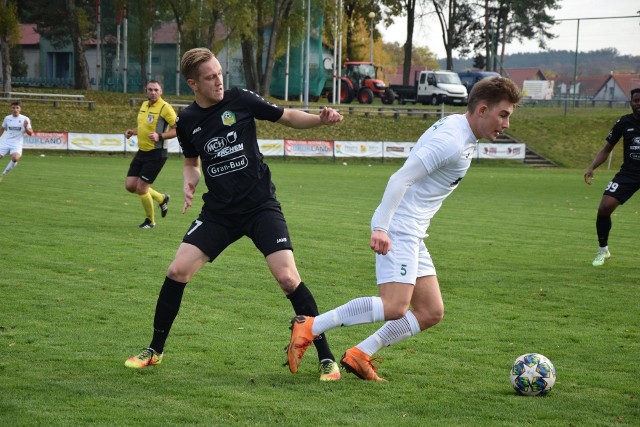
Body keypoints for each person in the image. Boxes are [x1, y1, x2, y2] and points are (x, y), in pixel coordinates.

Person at [124, 47, 344, 381]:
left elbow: (286, 116)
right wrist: (189, 183)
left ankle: (327, 358)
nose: (218, 81)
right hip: (220, 212)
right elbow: (191, 161)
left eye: (220, 74)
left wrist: (319, 120)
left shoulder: (240, 99)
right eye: (210, 78)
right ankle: (154, 350)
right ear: (193, 84)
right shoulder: (186, 121)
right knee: (176, 271)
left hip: (259, 206)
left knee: (287, 277)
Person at [287, 77, 521, 381]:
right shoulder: (451, 140)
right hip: (399, 226)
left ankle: (359, 354)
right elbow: (400, 179)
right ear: (482, 110)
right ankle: (310, 326)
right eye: (502, 115)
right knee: (395, 306)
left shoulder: (462, 132)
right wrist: (382, 227)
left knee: (430, 311)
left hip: (414, 229)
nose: (505, 123)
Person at [584, 88, 640, 267]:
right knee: (604, 208)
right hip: (629, 174)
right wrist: (592, 167)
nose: (639, 104)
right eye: (636, 100)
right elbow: (607, 149)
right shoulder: (624, 122)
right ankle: (603, 250)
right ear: (631, 102)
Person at [124, 80, 177, 229]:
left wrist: (160, 136)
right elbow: (143, 127)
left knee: (141, 188)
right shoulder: (144, 105)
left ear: (161, 92)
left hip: (157, 153)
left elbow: (177, 129)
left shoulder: (165, 108)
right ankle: (161, 198)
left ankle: (150, 221)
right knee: (130, 185)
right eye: (150, 90)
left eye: (156, 90)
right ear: (146, 91)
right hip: (142, 151)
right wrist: (132, 132)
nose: (153, 92)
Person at [0, 101, 33, 179]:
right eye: (13, 107)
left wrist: (25, 127)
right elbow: (2, 129)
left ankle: (2, 174)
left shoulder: (25, 119)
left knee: (15, 158)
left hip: (17, 143)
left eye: (17, 107)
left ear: (20, 109)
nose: (15, 109)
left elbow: (30, 133)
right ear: (10, 109)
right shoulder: (7, 118)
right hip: (6, 141)